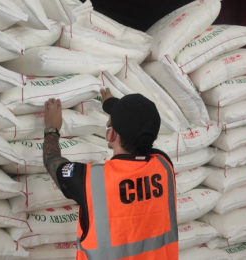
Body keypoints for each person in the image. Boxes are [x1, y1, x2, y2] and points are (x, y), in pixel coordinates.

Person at [42, 88, 178, 260]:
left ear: (111, 134)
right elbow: (141, 124)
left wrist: (51, 129)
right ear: (155, 136)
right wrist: (111, 105)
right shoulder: (164, 164)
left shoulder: (90, 181)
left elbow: (51, 160)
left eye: (109, 125)